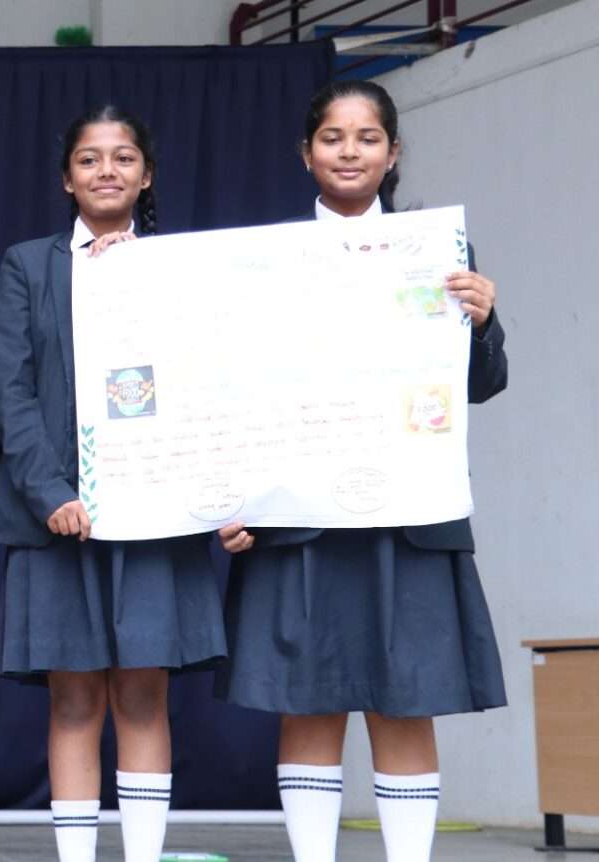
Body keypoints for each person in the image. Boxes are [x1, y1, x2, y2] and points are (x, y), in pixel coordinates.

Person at [215, 79, 507, 862]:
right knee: (306, 702)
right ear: (306, 152)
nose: (350, 152)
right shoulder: (259, 260)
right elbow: (226, 386)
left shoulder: (438, 252)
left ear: (393, 151)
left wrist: (483, 322)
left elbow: (479, 384)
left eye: (368, 137)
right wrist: (229, 496)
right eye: (333, 137)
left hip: (407, 517)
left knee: (407, 699)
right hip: (297, 518)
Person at [0, 107, 226, 862]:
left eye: (123, 158)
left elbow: (207, 381)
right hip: (58, 519)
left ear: (147, 175)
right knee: (74, 698)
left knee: (145, 694)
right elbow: (9, 391)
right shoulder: (29, 266)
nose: (106, 171)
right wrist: (50, 491)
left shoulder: (177, 267)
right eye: (89, 159)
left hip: (154, 517)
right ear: (67, 178)